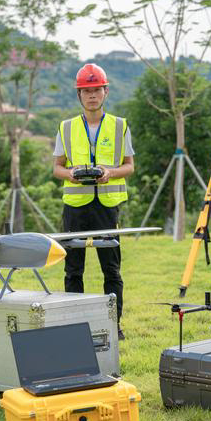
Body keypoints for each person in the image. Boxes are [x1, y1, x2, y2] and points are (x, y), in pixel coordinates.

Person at [52, 63, 135, 340]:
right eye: (86, 91)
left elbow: (129, 166)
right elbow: (57, 168)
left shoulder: (120, 126)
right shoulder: (66, 127)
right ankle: (74, 325)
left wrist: (110, 173)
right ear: (79, 95)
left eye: (96, 90)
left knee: (111, 268)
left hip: (107, 206)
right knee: (73, 268)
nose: (91, 95)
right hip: (75, 208)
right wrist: (72, 175)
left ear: (106, 92)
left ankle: (115, 324)